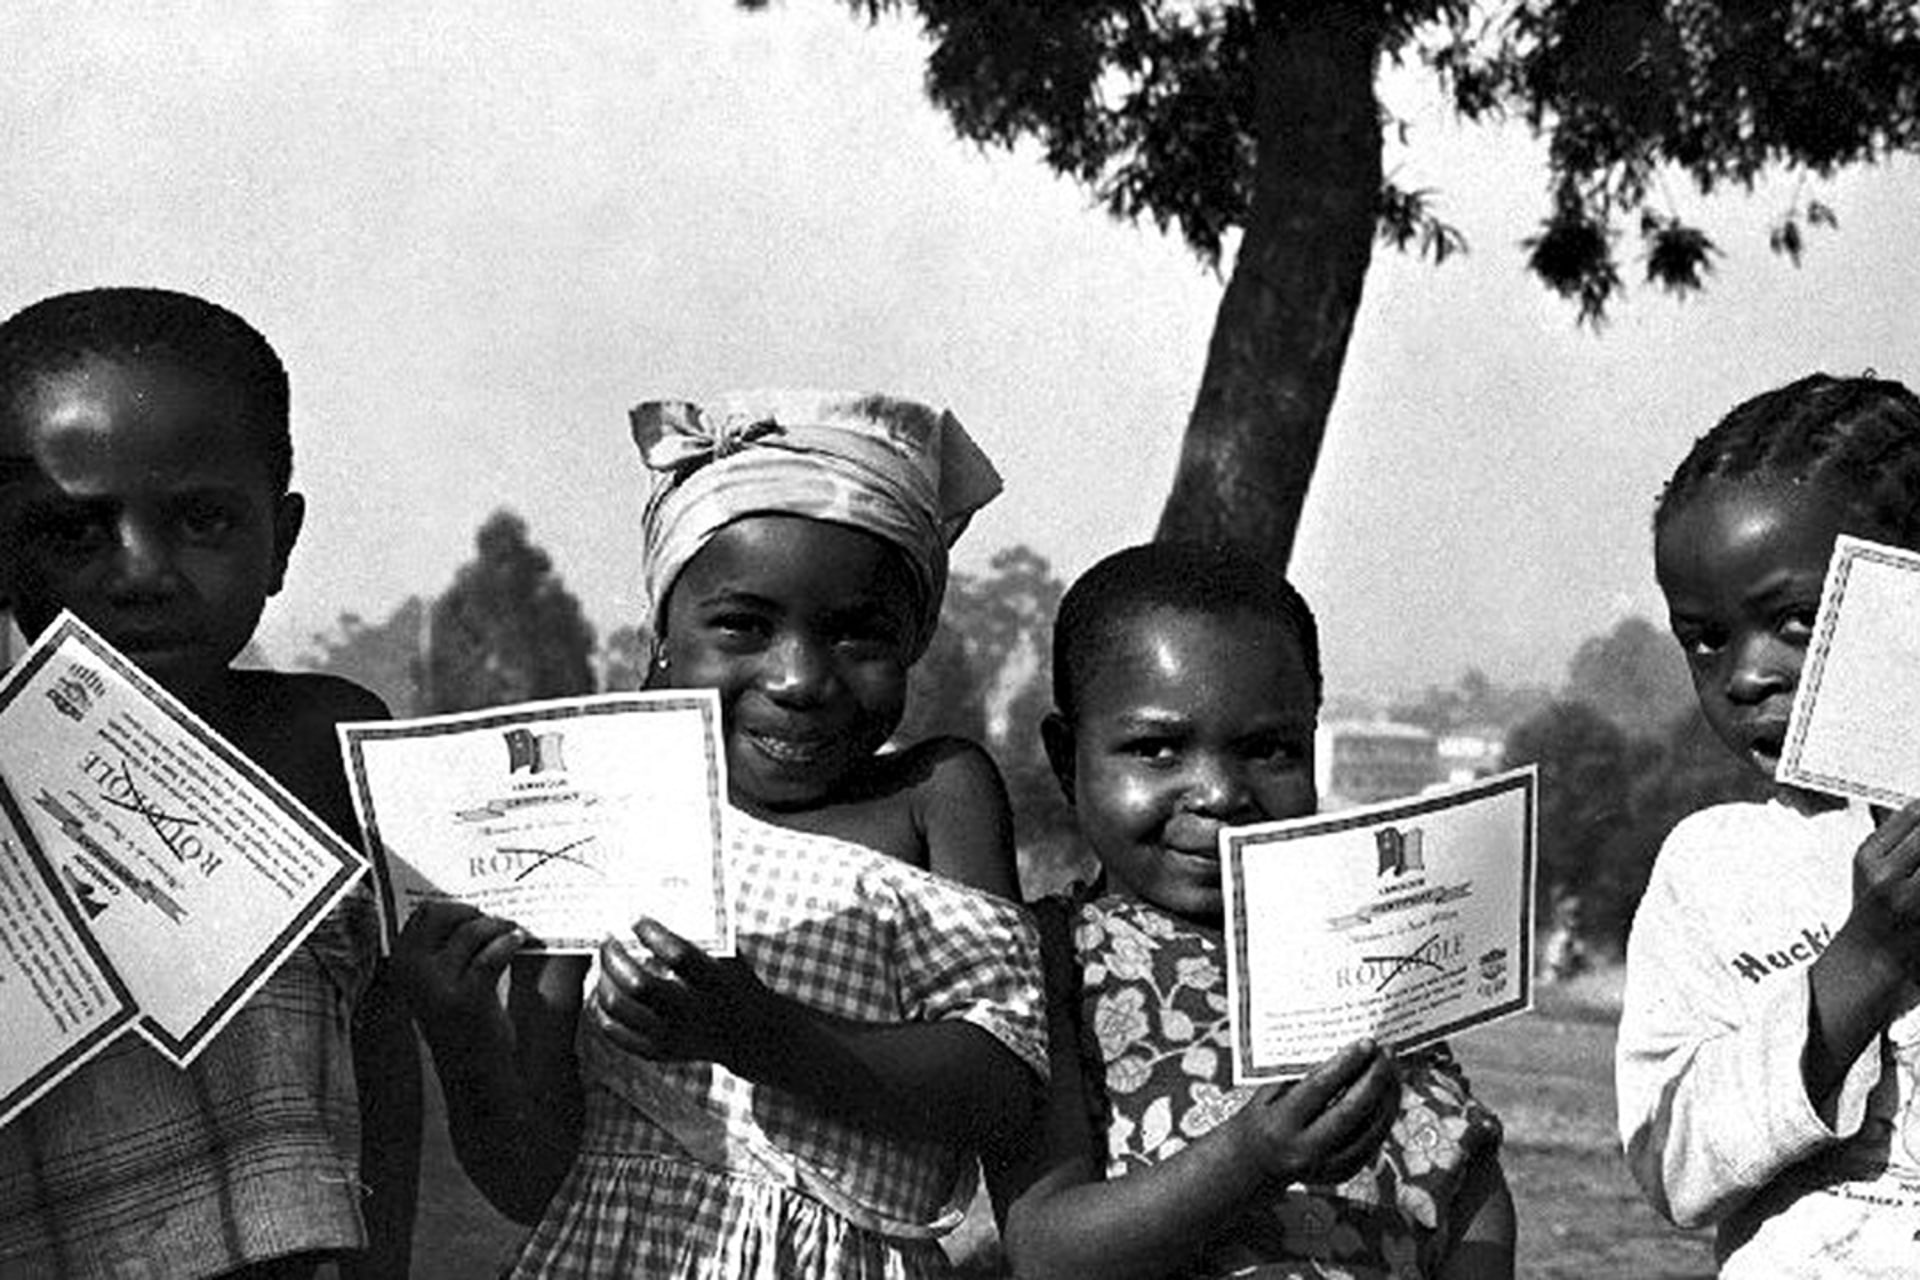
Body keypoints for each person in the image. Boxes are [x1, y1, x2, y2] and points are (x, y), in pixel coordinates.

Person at [398, 390, 1047, 1278]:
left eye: (859, 635)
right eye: (744, 625)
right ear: (663, 630)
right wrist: (462, 1029)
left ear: (916, 641)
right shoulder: (604, 811)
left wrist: (764, 1034)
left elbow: (1005, 1082)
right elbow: (529, 1178)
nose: (798, 678)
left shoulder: (935, 795)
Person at [0, 287, 422, 1279]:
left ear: (280, 537)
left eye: (202, 520)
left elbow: (382, 1044)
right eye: (72, 531)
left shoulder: (327, 740)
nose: (142, 571)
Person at [994, 541, 1514, 1280]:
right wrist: (1253, 1156)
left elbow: (1462, 1171)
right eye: (1156, 749)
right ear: (1064, 756)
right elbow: (1045, 1249)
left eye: (1268, 750)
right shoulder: (1047, 962)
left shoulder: (1366, 952)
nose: (1219, 793)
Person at [1616, 373, 1920, 1277]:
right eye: (1704, 637)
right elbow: (1674, 1166)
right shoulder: (1714, 869)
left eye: (1797, 621)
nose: (1746, 675)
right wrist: (1865, 960)